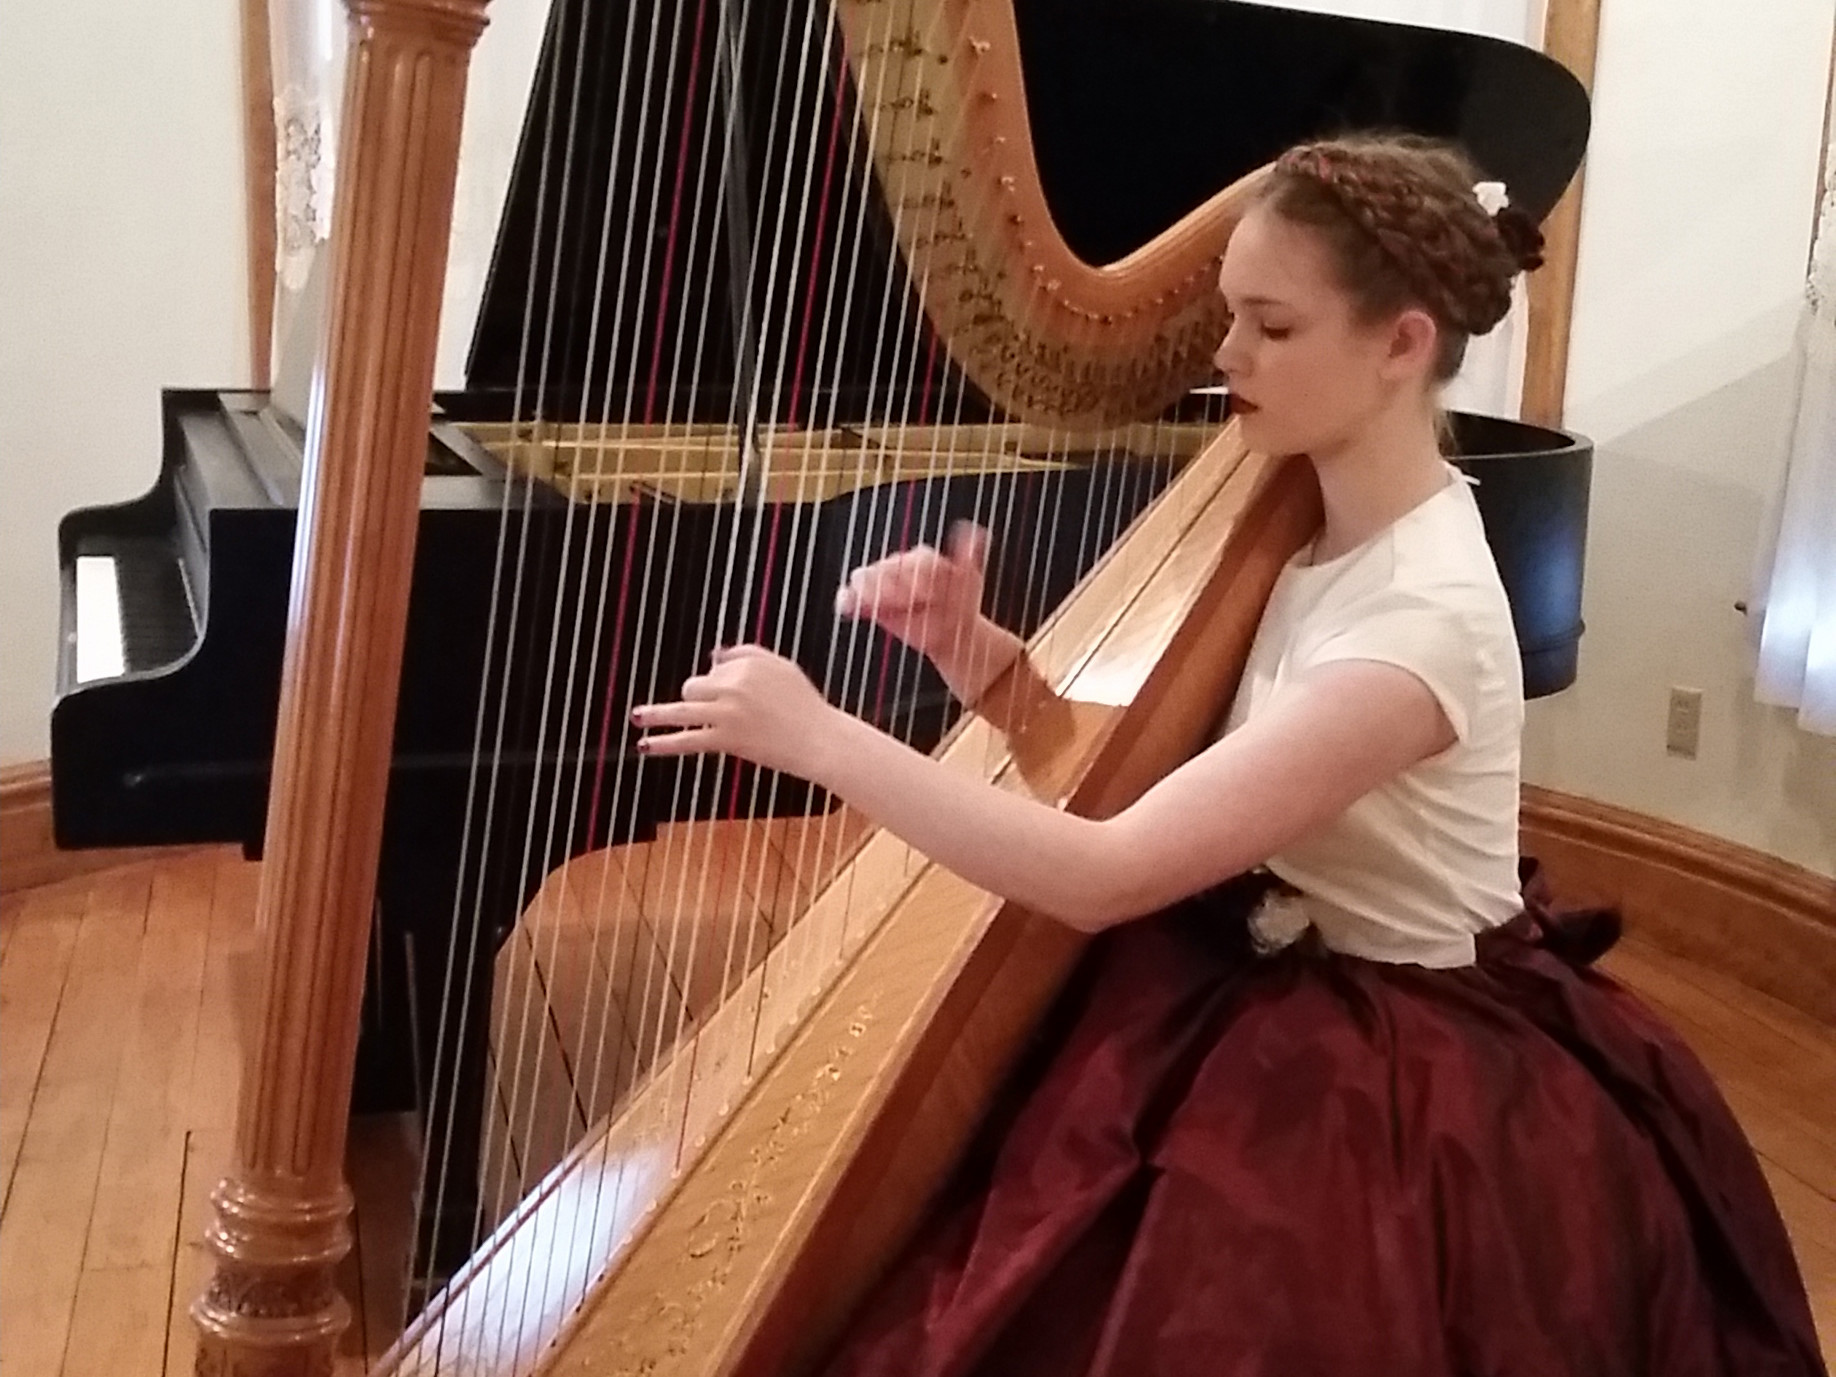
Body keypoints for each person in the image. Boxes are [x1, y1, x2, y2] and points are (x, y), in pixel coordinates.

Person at [631, 135, 1826, 1376]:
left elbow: (1104, 873)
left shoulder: (1420, 627)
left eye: (1270, 326)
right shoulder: (1315, 521)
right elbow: (1150, 770)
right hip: (1283, 973)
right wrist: (973, 654)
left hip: (1409, 1065)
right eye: (1225, 318)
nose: (1222, 356)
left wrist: (820, 737)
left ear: (1403, 344)